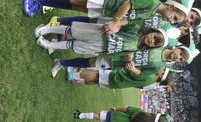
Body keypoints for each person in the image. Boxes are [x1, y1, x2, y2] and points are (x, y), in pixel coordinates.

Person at [23, 0, 191, 34]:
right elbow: (127, 4)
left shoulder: (153, 11)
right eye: (175, 17)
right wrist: (115, 21)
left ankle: (43, 1)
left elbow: (130, 18)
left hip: (107, 9)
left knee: (73, 6)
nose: (172, 21)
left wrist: (117, 25)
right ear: (171, 6)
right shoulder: (152, 2)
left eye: (175, 22)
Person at [35, 21, 171, 55]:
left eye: (153, 43)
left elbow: (120, 52)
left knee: (74, 45)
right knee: (74, 31)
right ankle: (47, 29)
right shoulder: (138, 29)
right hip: (102, 33)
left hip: (102, 47)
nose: (151, 41)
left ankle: (49, 45)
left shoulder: (138, 48)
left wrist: (102, 52)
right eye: (153, 37)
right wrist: (117, 25)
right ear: (152, 31)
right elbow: (126, 21)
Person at [51, 46, 191, 77]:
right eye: (180, 54)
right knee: (86, 45)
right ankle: (59, 40)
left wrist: (134, 69)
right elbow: (142, 39)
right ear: (178, 48)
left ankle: (61, 62)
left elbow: (142, 74)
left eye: (180, 60)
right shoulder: (161, 43)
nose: (177, 58)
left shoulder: (160, 66)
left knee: (91, 62)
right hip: (119, 49)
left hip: (118, 63)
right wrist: (130, 52)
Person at [66, 62, 173, 90]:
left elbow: (138, 73)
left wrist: (132, 67)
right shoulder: (151, 81)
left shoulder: (150, 77)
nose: (161, 69)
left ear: (162, 75)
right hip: (118, 83)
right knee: (96, 81)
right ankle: (77, 80)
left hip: (118, 77)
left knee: (96, 75)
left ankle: (73, 75)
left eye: (163, 70)